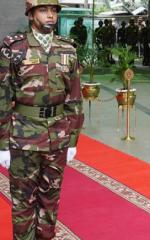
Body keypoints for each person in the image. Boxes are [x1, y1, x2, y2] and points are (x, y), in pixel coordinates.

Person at [0, 0, 84, 239]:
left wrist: (74, 139)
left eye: (54, 10)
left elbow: (74, 97)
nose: (51, 15)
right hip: (23, 137)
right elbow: (3, 98)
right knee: (23, 201)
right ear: (30, 14)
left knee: (51, 198)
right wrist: (2, 143)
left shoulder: (68, 49)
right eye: (43, 10)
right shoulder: (14, 48)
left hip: (57, 136)